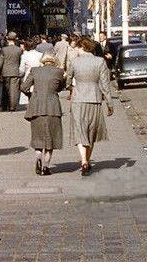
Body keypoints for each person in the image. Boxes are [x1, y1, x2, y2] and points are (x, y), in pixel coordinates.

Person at [67, 35, 114, 176]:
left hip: (78, 99)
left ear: (82, 47)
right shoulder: (100, 62)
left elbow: (68, 79)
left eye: (78, 48)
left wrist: (70, 88)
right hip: (94, 99)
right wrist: (110, 103)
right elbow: (105, 84)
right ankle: (87, 159)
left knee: (80, 130)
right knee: (91, 131)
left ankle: (83, 161)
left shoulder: (75, 62)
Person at [22, 53, 66, 175]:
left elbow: (24, 87)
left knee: (38, 137)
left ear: (43, 60)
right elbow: (60, 87)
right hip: (53, 107)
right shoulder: (59, 72)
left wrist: (32, 96)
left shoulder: (35, 71)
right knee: (50, 139)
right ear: (54, 61)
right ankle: (46, 167)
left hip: (36, 107)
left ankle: (38, 158)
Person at [0, 32, 23, 112]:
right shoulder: (19, 50)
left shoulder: (4, 50)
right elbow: (20, 61)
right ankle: (12, 106)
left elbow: (0, 62)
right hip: (15, 71)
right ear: (15, 39)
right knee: (14, 89)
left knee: (6, 89)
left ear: (7, 39)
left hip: (5, 71)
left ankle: (6, 104)